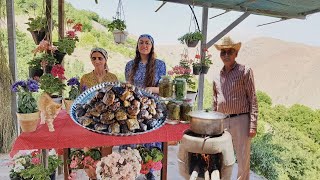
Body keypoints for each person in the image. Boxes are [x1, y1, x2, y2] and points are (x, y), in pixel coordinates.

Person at [213, 36, 258, 180]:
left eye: (229, 52)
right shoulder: (217, 76)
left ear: (236, 54)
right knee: (220, 154)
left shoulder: (245, 71)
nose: (226, 55)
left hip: (241, 120)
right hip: (222, 121)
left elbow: (253, 98)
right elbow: (215, 101)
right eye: (223, 52)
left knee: (242, 157)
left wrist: (253, 124)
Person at [123, 34, 166, 150]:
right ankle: (131, 166)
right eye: (141, 42)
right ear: (137, 46)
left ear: (152, 46)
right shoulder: (129, 65)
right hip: (133, 108)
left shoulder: (160, 65)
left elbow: (164, 90)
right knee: (132, 142)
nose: (144, 45)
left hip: (152, 109)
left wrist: (151, 89)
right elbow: (128, 88)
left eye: (147, 43)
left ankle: (149, 166)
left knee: (149, 143)